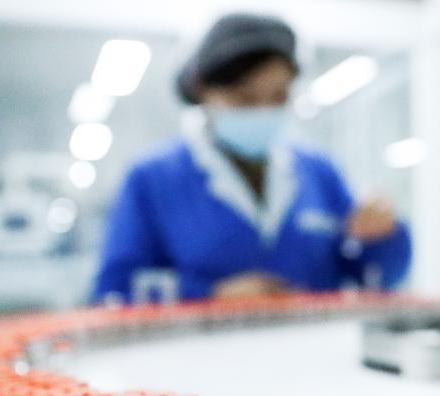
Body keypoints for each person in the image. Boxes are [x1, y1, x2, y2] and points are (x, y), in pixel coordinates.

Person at [92, 13, 411, 302]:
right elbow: (114, 288)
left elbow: (370, 276)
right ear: (202, 90)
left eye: (279, 96)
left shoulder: (319, 172)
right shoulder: (152, 178)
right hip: (199, 347)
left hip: (315, 344)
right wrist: (209, 295)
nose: (263, 111)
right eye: (245, 98)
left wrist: (384, 237)